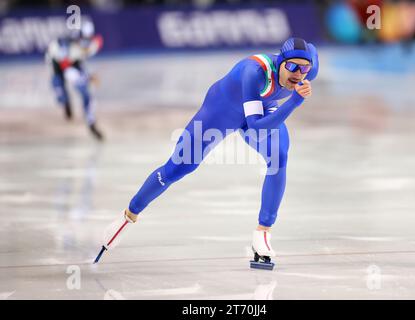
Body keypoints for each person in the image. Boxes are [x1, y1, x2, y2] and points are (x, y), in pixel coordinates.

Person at [95, 37, 319, 270]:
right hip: (222, 112)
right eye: (292, 67)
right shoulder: (254, 72)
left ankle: (263, 233)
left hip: (263, 107)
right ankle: (128, 216)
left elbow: (305, 65)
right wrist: (294, 101)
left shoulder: (306, 68)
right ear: (280, 62)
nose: (298, 74)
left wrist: (295, 90)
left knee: (279, 157)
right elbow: (256, 128)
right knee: (178, 167)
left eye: (305, 68)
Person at [46, 19, 104, 140]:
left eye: (88, 39)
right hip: (57, 64)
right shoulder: (64, 46)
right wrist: (88, 77)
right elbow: (66, 69)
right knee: (60, 91)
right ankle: (66, 103)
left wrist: (87, 76)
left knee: (86, 93)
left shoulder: (89, 45)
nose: (86, 43)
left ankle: (91, 122)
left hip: (72, 63)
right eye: (84, 39)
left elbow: (79, 62)